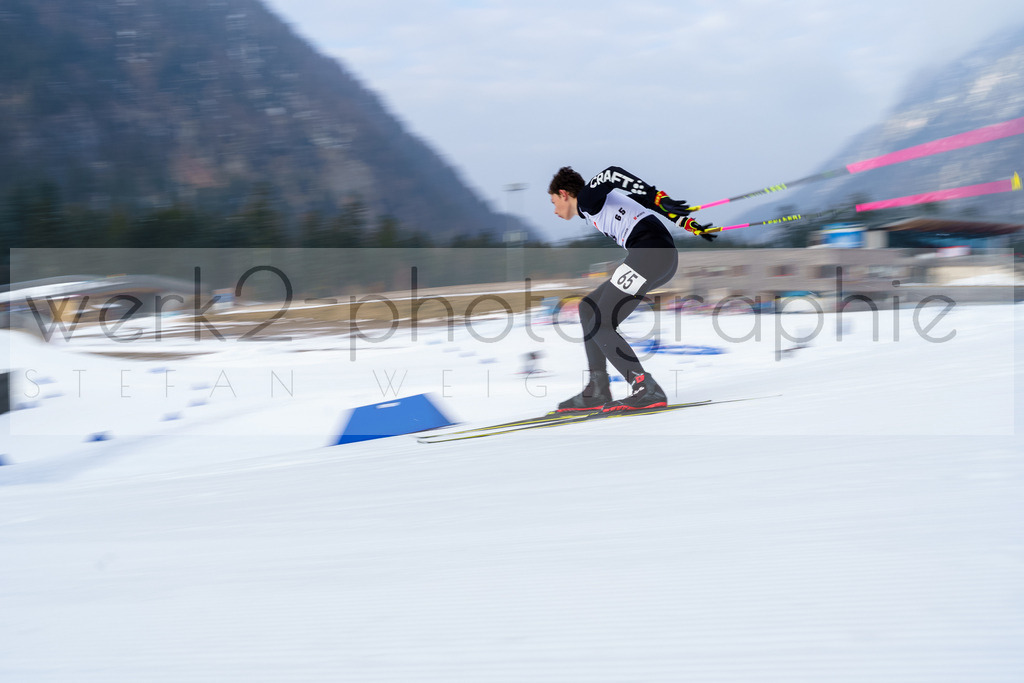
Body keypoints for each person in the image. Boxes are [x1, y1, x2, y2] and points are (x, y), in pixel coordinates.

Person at [548, 166, 715, 412]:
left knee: (600, 322)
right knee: (588, 308)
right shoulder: (595, 205)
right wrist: (685, 221)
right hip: (657, 258)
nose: (555, 210)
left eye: (554, 202)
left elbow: (613, 174)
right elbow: (648, 201)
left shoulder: (586, 198)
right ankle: (598, 388)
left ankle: (645, 387)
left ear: (564, 194)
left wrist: (657, 197)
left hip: (650, 255)